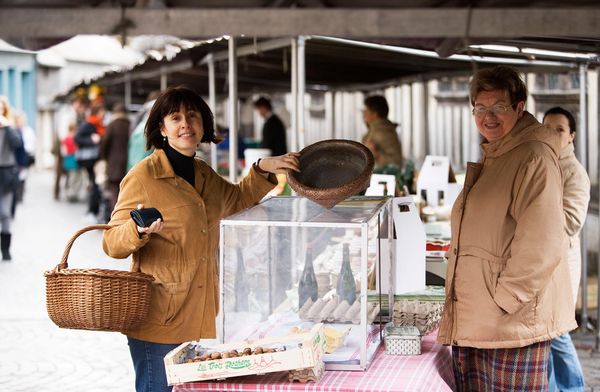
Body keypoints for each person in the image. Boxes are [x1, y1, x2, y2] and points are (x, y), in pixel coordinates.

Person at [101, 86, 299, 392]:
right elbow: (111, 241)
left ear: (203, 124)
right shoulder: (143, 176)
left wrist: (262, 168)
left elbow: (236, 198)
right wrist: (137, 231)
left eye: (192, 116)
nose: (186, 124)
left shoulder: (203, 173)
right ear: (161, 128)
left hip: (200, 314)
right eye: (176, 117)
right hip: (159, 320)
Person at [437, 66, 576, 391]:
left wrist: (507, 299)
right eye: (480, 108)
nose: (489, 116)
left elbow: (543, 243)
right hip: (485, 318)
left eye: (498, 106)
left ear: (519, 107)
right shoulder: (499, 153)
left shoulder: (532, 157)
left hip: (509, 323)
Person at [543, 106, 589, 392]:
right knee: (548, 335)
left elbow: (571, 222)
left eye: (559, 129)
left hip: (560, 266)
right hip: (544, 265)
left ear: (571, 136)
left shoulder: (575, 174)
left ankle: (574, 388)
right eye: (547, 127)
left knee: (556, 332)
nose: (552, 133)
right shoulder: (543, 162)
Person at [0, 96, 22, 261]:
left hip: (6, 174)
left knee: (5, 213)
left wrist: (6, 126)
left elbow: (17, 144)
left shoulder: (10, 129)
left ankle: (6, 250)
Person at [100, 102, 130, 221]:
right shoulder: (130, 124)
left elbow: (105, 143)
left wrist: (104, 158)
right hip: (128, 163)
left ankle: (116, 219)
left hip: (114, 164)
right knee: (127, 193)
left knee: (114, 192)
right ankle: (125, 218)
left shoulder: (112, 125)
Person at [75, 104, 105, 222]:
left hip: (94, 159)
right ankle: (92, 211)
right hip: (89, 160)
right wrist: (91, 140)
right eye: (102, 111)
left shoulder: (98, 124)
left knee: (95, 184)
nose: (103, 114)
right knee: (95, 184)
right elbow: (77, 138)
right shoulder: (89, 124)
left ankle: (93, 210)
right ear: (97, 112)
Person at [361, 95, 403, 169]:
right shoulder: (377, 129)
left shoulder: (382, 132)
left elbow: (396, 162)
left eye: (366, 110)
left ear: (375, 114)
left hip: (382, 178)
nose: (364, 114)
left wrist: (376, 154)